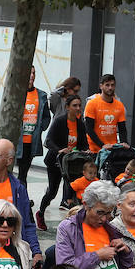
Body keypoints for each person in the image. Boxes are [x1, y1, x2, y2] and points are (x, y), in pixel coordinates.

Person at [0, 138, 41, 269]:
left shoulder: (19, 188)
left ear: (9, 160)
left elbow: (28, 223)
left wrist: (36, 252)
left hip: (14, 253)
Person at [39, 93, 99, 226]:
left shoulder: (80, 124)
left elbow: (83, 143)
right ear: (67, 107)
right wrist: (59, 150)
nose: (78, 108)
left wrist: (86, 150)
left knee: (73, 191)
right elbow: (48, 141)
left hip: (72, 164)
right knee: (52, 192)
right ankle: (40, 212)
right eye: (74, 105)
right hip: (56, 161)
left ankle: (74, 222)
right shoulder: (60, 121)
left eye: (79, 105)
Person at [17, 66, 51, 184]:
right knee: (19, 173)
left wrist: (41, 128)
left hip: (32, 141)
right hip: (17, 142)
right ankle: (22, 199)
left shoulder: (41, 95)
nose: (31, 76)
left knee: (23, 173)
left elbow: (47, 116)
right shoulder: (17, 94)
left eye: (33, 73)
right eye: (29, 73)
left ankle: (22, 198)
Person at [84, 74, 128, 152]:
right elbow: (89, 129)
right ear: (101, 86)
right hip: (94, 149)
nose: (110, 88)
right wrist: (102, 145)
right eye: (107, 85)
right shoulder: (92, 103)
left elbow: (122, 129)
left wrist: (124, 142)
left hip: (112, 148)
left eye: (112, 85)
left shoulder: (119, 105)